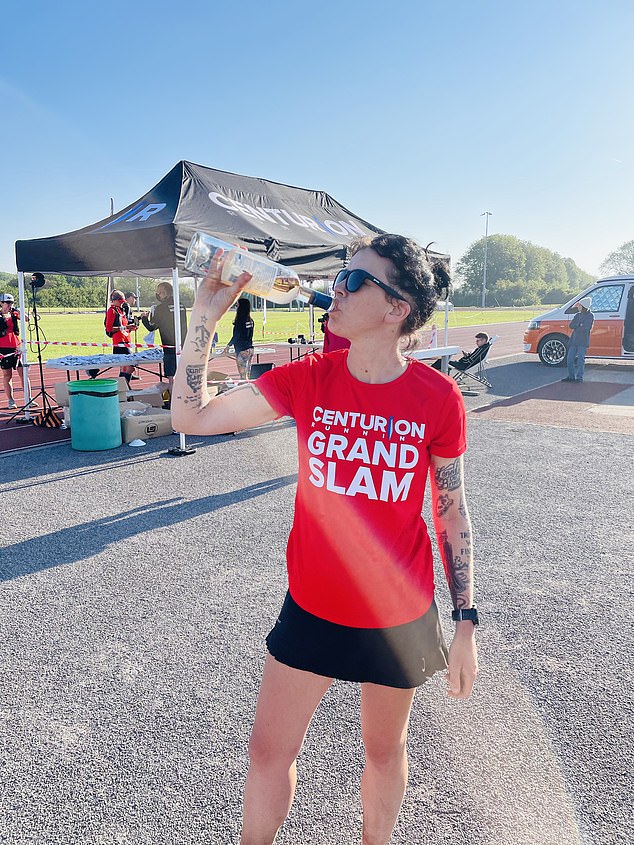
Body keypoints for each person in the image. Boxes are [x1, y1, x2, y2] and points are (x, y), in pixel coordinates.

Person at [172, 234, 478, 845]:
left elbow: (449, 509)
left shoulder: (437, 397)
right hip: (313, 604)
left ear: (398, 309)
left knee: (385, 754)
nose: (337, 289)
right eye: (341, 277)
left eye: (356, 282)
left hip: (398, 614)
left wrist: (466, 620)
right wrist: (205, 312)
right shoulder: (310, 378)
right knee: (266, 754)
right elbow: (191, 417)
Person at [141, 282, 188, 403]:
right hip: (183, 345)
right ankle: (185, 401)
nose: (157, 295)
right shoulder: (181, 305)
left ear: (163, 293)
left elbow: (152, 326)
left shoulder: (161, 308)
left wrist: (144, 318)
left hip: (169, 347)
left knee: (172, 379)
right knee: (183, 377)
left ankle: (174, 403)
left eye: (158, 292)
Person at [0, 292, 31, 409]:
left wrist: (19, 311)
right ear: (1, 303)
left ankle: (28, 398)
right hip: (3, 349)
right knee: (7, 375)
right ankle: (11, 400)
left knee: (23, 373)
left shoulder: (14, 313)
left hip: (16, 348)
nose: (9, 305)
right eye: (7, 303)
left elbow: (27, 319)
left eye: (11, 303)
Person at [104, 290, 138, 386]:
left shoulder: (121, 310)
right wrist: (126, 327)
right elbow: (109, 328)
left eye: (122, 301)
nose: (121, 303)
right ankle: (123, 388)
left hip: (126, 340)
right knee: (130, 367)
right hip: (119, 342)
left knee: (127, 368)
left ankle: (123, 389)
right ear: (114, 300)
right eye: (119, 301)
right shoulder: (112, 311)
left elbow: (124, 326)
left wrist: (131, 327)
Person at [222, 297, 255, 380]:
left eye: (237, 305)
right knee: (248, 374)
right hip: (250, 349)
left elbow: (236, 336)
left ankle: (245, 392)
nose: (236, 307)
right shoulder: (251, 320)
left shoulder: (240, 321)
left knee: (243, 377)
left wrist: (228, 345)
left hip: (242, 350)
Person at [563, 296, 594, 382]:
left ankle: (579, 377)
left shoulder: (590, 316)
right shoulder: (577, 315)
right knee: (569, 359)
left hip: (582, 341)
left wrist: (578, 326)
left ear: (584, 306)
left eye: (580, 306)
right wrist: (579, 325)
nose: (578, 307)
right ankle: (571, 376)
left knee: (580, 360)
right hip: (574, 340)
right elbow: (571, 325)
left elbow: (586, 328)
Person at [122, 291, 141, 381]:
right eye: (134, 298)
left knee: (124, 360)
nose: (135, 300)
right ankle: (124, 380)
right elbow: (125, 320)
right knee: (129, 360)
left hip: (124, 335)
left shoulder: (125, 306)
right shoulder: (126, 306)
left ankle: (127, 376)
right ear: (129, 297)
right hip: (123, 336)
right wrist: (137, 320)